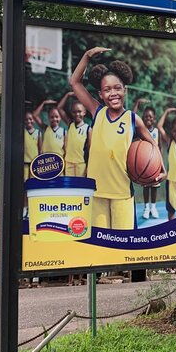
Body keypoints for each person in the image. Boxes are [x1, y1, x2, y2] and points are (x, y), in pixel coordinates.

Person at [69, 46, 164, 231]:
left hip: (122, 193)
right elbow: (75, 82)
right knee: (100, 245)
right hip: (97, 192)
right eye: (107, 89)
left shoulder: (133, 119)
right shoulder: (97, 111)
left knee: (123, 244)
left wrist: (163, 170)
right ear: (100, 94)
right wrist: (87, 56)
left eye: (117, 88)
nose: (113, 93)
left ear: (124, 90)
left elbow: (153, 145)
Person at [133, 98, 161, 219]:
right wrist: (137, 104)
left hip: (155, 163)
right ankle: (146, 207)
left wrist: (160, 163)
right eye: (145, 117)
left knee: (154, 186)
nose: (148, 118)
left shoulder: (157, 131)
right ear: (143, 118)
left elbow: (160, 147)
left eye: (150, 117)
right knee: (146, 186)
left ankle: (153, 207)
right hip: (144, 163)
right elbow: (132, 118)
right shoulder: (141, 130)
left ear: (154, 119)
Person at [57, 91, 90, 178]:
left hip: (81, 164)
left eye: (79, 111)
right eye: (74, 112)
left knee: (79, 186)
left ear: (84, 112)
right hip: (68, 162)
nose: (77, 114)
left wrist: (88, 167)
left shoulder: (88, 129)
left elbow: (90, 150)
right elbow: (59, 108)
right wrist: (67, 95)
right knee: (70, 186)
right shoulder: (70, 124)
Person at [23, 110, 40, 181]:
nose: (28, 121)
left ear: (34, 120)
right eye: (26, 119)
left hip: (34, 162)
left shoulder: (38, 133)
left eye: (30, 119)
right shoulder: (22, 132)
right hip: (25, 162)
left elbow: (40, 148)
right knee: (25, 181)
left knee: (34, 181)